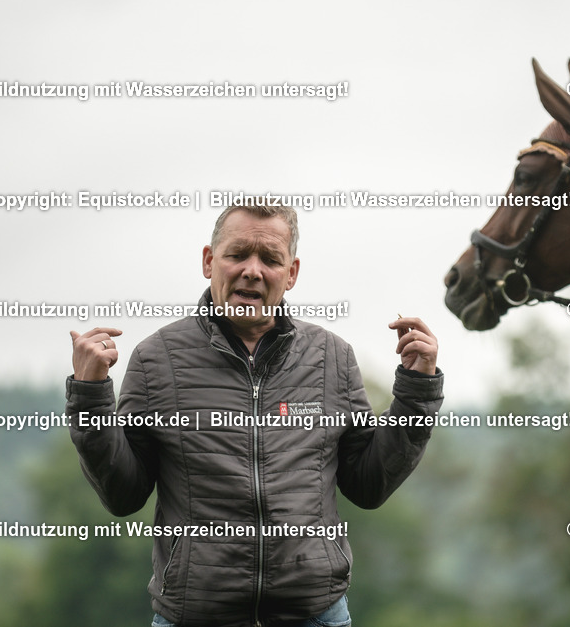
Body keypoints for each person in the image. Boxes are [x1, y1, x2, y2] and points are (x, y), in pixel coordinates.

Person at [67, 204, 444, 627]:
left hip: (316, 615)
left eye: (270, 259)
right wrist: (90, 396)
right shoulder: (157, 359)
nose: (252, 270)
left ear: (291, 273)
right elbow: (122, 495)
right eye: (237, 254)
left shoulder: (332, 358)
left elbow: (369, 485)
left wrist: (416, 392)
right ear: (209, 261)